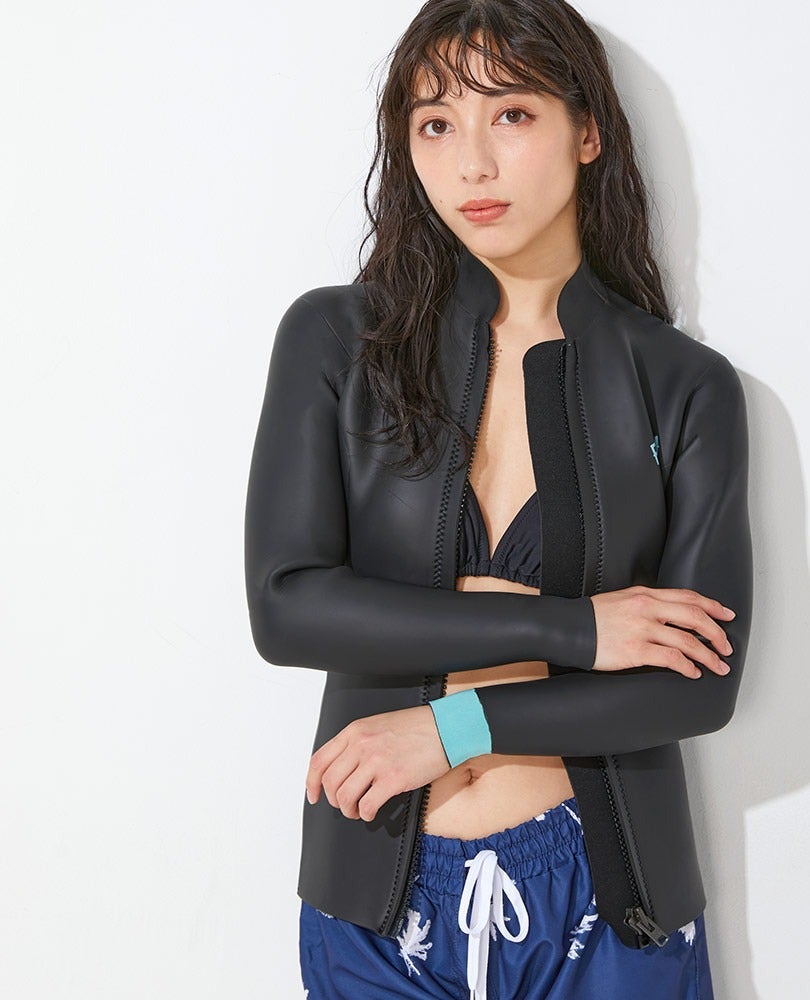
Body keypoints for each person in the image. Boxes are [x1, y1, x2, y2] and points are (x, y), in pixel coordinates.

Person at [243, 2, 753, 998]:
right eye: (435, 124)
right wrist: (574, 628)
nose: (471, 163)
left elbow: (698, 684)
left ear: (586, 130)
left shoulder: (682, 383)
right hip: (377, 902)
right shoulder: (336, 342)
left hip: (609, 904)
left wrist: (453, 726)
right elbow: (287, 605)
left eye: (511, 115)